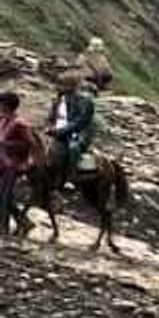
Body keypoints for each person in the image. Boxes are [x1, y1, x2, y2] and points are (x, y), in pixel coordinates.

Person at [46, 68, 96, 184]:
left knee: (73, 147)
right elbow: (51, 117)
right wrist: (49, 127)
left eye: (62, 84)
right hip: (58, 131)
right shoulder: (58, 100)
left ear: (71, 86)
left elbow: (81, 122)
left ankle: (71, 175)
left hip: (78, 133)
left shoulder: (85, 101)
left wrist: (62, 131)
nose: (59, 87)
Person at [0, 92, 38, 236]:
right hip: (2, 163)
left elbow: (31, 143)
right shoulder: (3, 120)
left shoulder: (19, 124)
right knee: (5, 196)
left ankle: (3, 228)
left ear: (6, 105)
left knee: (4, 195)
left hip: (12, 164)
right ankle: (24, 221)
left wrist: (28, 162)